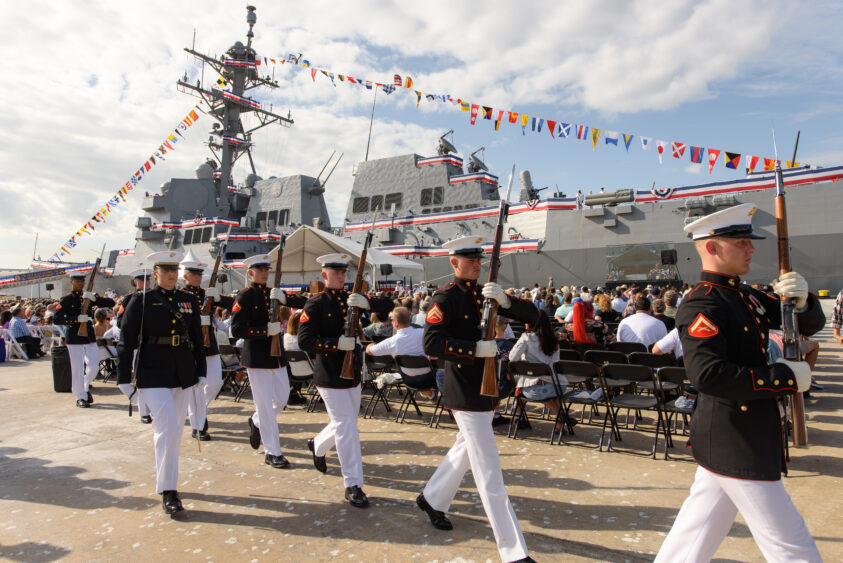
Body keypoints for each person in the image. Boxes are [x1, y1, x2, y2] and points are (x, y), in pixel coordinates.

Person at [655, 203, 825, 562]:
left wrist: (804, 299)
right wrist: (784, 378)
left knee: (692, 539)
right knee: (792, 547)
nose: (751, 248)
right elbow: (708, 374)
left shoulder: (745, 296)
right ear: (713, 247)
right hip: (737, 436)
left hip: (735, 434)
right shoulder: (703, 304)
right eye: (741, 242)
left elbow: (806, 324)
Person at [418, 236, 538, 563]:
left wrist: (507, 301)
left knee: (464, 450)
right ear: (453, 263)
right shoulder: (446, 297)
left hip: (485, 389)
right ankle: (513, 552)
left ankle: (432, 498)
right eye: (468, 259)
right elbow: (431, 343)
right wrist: (473, 350)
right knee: (489, 471)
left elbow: (535, 316)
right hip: (464, 390)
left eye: (478, 259)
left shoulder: (486, 293)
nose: (476, 264)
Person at [297, 253, 394, 508]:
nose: (341, 276)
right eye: (335, 272)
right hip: (329, 373)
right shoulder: (315, 304)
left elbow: (389, 306)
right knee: (347, 426)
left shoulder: (352, 301)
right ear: (324, 275)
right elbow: (305, 341)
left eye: (343, 272)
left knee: (344, 423)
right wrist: (335, 344)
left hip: (352, 373)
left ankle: (317, 444)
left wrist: (366, 304)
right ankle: (353, 483)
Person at [116, 251, 206, 516]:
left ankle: (167, 481)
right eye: (165, 271)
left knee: (175, 430)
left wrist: (200, 370)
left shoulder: (188, 300)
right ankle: (169, 490)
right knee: (166, 426)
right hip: (151, 370)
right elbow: (126, 340)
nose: (171, 275)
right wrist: (123, 377)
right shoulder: (140, 301)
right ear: (154, 273)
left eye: (174, 271)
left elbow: (196, 339)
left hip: (182, 370)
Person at [230, 254, 307, 468]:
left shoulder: (273, 294)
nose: (265, 273)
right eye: (260, 269)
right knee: (264, 406)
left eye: (266, 269)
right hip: (256, 357)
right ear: (251, 273)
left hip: (277, 356)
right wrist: (263, 331)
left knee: (281, 400)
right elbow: (236, 329)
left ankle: (255, 421)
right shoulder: (245, 296)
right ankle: (272, 451)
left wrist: (284, 298)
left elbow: (305, 302)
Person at [180, 253, 236, 441]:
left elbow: (235, 304)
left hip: (209, 344)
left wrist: (219, 297)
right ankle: (198, 426)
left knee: (215, 383)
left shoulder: (206, 294)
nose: (198, 277)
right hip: (191, 345)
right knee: (197, 386)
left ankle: (196, 410)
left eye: (199, 274)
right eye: (194, 274)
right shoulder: (180, 295)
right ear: (185, 276)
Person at [54, 272, 115, 407]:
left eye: (82, 281)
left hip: (89, 336)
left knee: (93, 365)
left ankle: (85, 386)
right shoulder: (66, 299)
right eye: (77, 281)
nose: (80, 283)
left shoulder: (88, 296)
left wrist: (94, 299)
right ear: (72, 282)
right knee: (77, 368)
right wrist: (74, 319)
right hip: (74, 337)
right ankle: (79, 396)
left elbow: (111, 302)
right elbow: (57, 318)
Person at [509, 310, 568, 430]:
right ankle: (560, 423)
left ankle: (560, 415)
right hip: (559, 386)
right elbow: (556, 363)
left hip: (536, 389)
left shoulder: (527, 337)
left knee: (525, 384)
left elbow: (512, 357)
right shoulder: (554, 340)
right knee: (552, 389)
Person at [118, 267, 154, 423]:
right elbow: (121, 321)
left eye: (147, 279)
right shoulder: (129, 299)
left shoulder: (154, 297)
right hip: (135, 344)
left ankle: (149, 406)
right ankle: (144, 412)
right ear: (135, 282)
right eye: (142, 280)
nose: (145, 282)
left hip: (150, 343)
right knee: (139, 380)